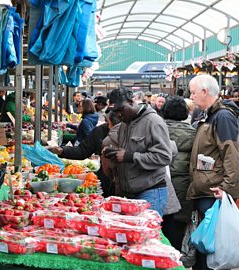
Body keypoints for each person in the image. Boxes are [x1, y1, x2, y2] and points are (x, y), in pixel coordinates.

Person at [186, 75, 239, 270]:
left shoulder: (222, 116)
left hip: (214, 192)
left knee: (212, 249)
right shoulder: (209, 114)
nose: (191, 96)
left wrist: (226, 187)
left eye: (193, 92)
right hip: (206, 189)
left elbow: (231, 153)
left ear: (204, 91)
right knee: (205, 246)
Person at [104, 88, 176, 216]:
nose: (118, 115)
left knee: (146, 233)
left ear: (131, 102)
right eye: (115, 112)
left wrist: (130, 156)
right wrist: (114, 153)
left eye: (121, 110)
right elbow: (127, 152)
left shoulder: (153, 122)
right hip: (130, 193)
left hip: (150, 191)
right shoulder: (124, 124)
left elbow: (164, 157)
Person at [50, 112, 121, 197]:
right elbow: (83, 150)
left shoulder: (130, 133)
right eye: (108, 123)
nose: (109, 127)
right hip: (105, 180)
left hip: (126, 182)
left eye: (111, 125)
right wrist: (62, 151)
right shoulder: (100, 131)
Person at [162, 96, 196, 251]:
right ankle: (175, 258)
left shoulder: (159, 128)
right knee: (178, 226)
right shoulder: (193, 132)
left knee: (159, 223)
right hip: (183, 183)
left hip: (162, 181)